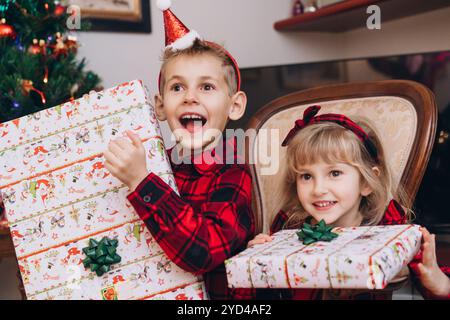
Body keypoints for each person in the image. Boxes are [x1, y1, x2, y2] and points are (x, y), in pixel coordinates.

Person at [103, 1, 255, 299]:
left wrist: (141, 183)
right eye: (177, 88)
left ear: (234, 105)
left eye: (207, 87)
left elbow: (203, 251)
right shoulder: (151, 164)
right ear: (160, 107)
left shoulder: (233, 174)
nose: (190, 98)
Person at [248, 105, 450, 300]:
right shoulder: (289, 225)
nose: (318, 189)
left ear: (366, 183)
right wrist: (256, 264)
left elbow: (434, 285)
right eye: (306, 176)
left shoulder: (388, 226)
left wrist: (436, 279)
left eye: (334, 173)